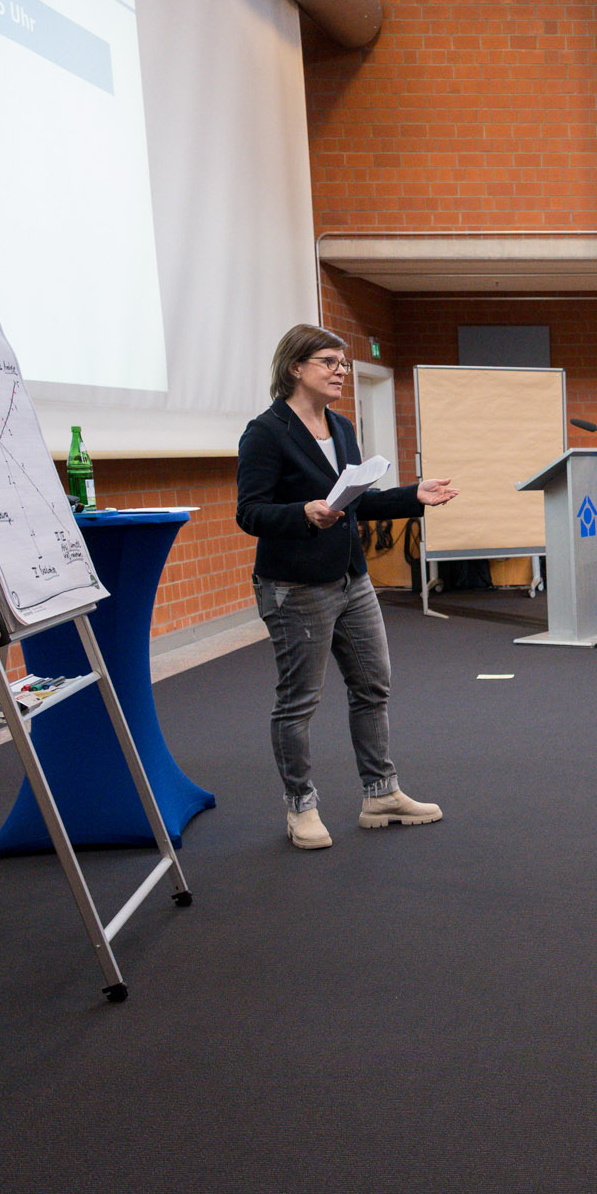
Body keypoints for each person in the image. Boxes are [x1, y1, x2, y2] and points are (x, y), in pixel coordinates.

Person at [236, 324, 458, 850]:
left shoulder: (341, 427)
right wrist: (303, 513)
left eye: (344, 364)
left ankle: (380, 795)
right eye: (329, 362)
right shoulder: (265, 432)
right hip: (294, 586)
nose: (340, 372)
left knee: (373, 686)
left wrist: (411, 495)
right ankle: (301, 807)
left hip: (351, 579)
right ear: (296, 367)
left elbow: (354, 501)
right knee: (299, 702)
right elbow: (250, 512)